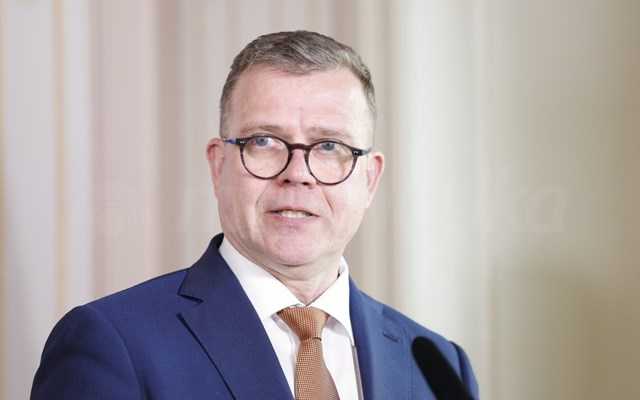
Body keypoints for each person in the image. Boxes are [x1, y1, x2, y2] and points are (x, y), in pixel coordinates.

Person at [31, 30, 479, 400]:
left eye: (329, 146)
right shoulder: (114, 343)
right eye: (263, 141)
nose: (297, 173)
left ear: (370, 178)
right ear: (218, 165)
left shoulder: (437, 366)